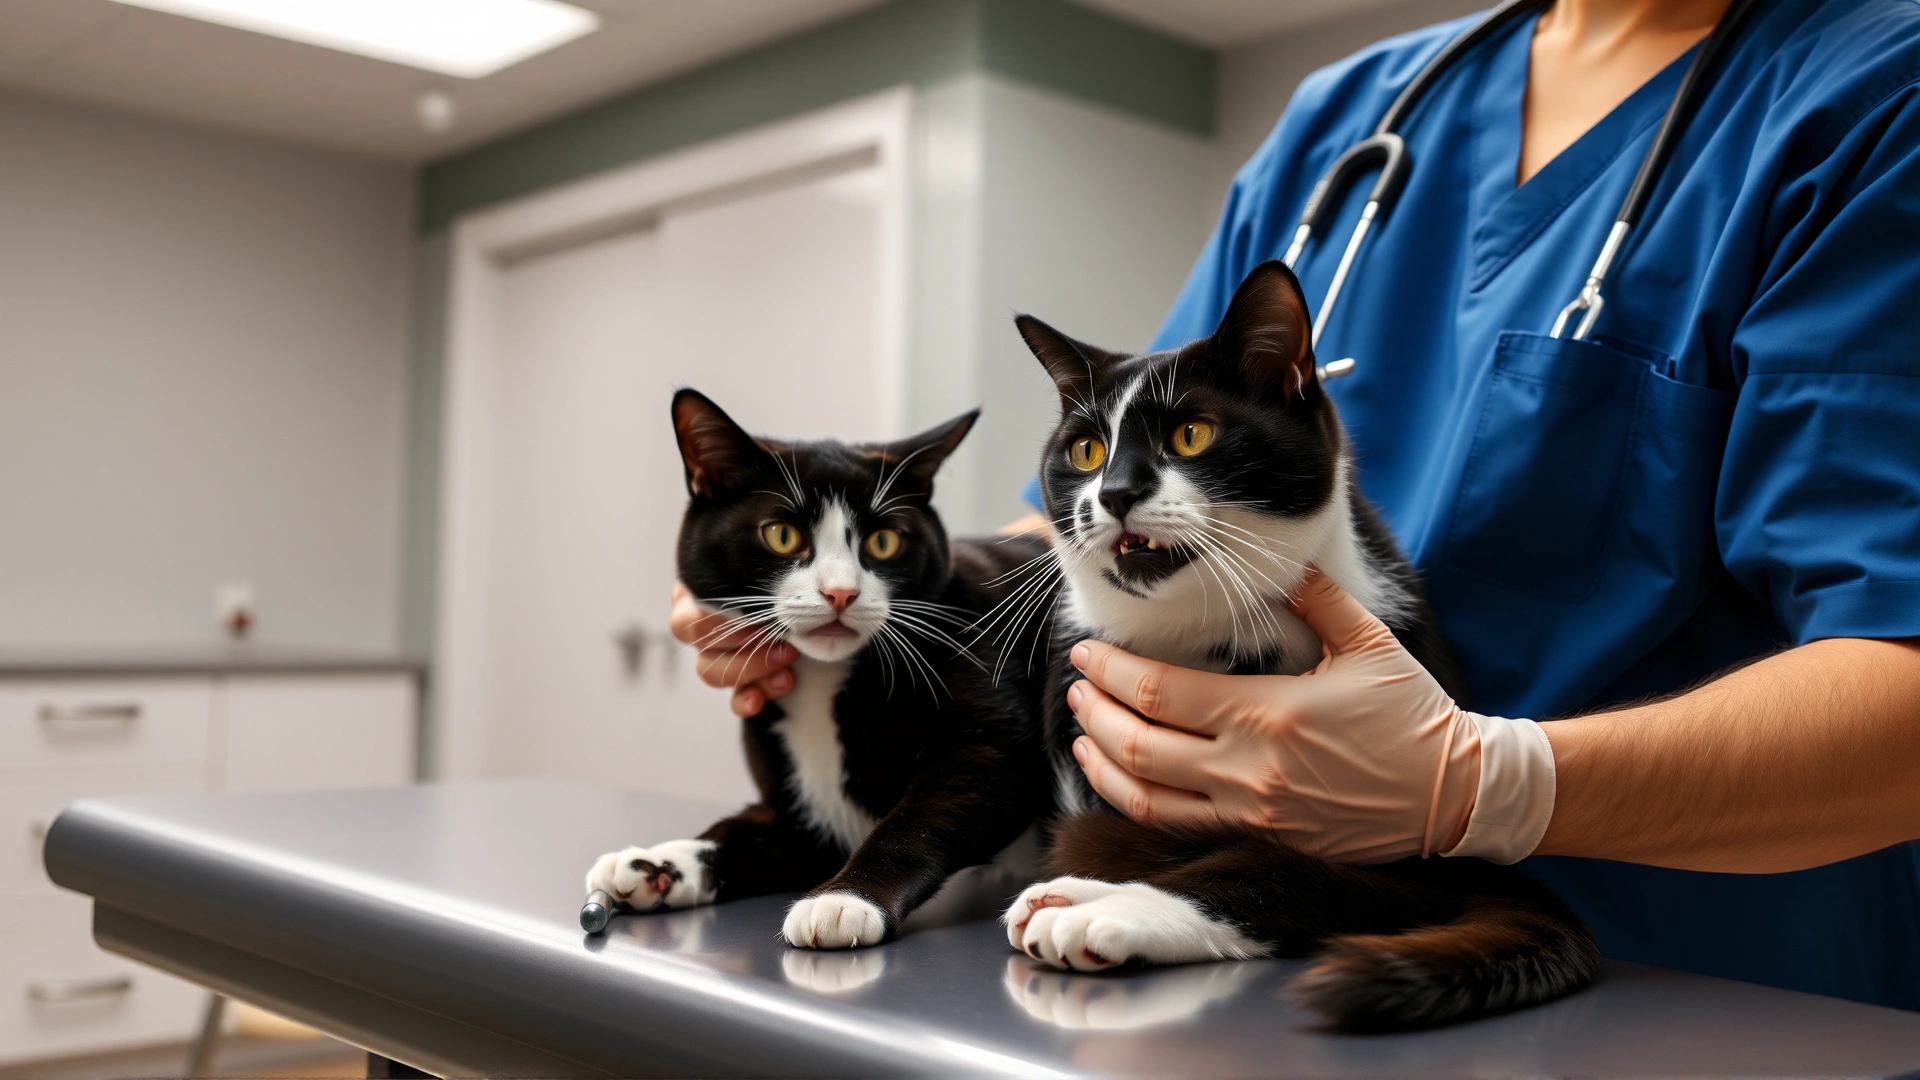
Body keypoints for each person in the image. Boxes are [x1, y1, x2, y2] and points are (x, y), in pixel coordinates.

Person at [671, 0, 1920, 1009]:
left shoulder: (1874, 89)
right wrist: (886, 601)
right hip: (1243, 967)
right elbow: (1110, 521)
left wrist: (1487, 786)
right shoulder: (1355, 117)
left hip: (1705, 996)